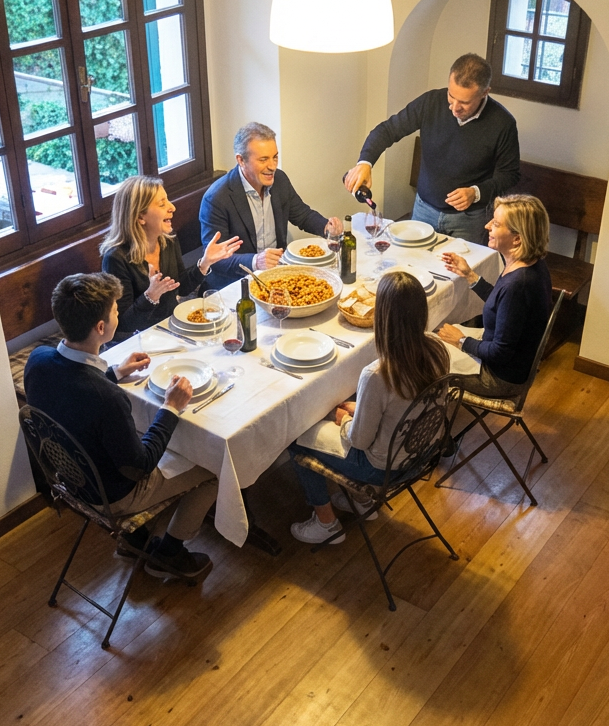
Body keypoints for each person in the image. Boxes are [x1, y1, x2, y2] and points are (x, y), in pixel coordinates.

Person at [24, 272, 219, 579]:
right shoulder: (107, 397)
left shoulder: (38, 360)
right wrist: (171, 407)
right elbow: (139, 467)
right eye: (116, 311)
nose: (118, 314)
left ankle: (135, 541)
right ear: (102, 328)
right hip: (111, 496)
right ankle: (168, 554)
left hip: (72, 479)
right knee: (213, 465)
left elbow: (73, 393)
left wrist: (114, 372)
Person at [288, 272, 450, 545]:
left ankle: (326, 523)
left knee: (296, 436)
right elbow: (401, 407)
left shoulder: (377, 374)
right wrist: (359, 408)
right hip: (420, 452)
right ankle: (361, 500)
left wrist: (342, 418)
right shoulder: (437, 348)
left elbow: (359, 441)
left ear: (382, 318)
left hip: (382, 468)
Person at [343, 53, 521, 245]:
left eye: (465, 103)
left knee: (464, 272)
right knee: (413, 266)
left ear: (485, 92)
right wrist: (365, 162)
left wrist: (476, 192)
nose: (454, 108)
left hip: (469, 219)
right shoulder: (431, 102)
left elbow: (509, 174)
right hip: (423, 209)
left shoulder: (503, 123)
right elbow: (387, 130)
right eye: (451, 97)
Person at [199, 122, 342, 289]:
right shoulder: (216, 198)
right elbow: (214, 259)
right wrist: (255, 261)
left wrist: (326, 227)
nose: (272, 166)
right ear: (241, 160)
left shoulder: (279, 180)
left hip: (277, 277)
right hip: (236, 284)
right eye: (263, 159)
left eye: (275, 157)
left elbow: (302, 215)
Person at [436, 194, 552, 398]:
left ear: (517, 238)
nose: (487, 226)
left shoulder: (519, 284)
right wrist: (469, 275)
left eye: (496, 224)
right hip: (505, 362)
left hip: (499, 378)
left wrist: (461, 341)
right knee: (433, 334)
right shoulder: (530, 265)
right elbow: (504, 306)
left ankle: (425, 425)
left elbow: (500, 352)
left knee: (420, 358)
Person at [101, 175, 241, 340]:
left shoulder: (168, 239)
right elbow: (122, 325)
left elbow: (181, 287)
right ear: (140, 217)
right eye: (162, 204)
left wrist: (204, 263)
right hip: (141, 341)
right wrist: (150, 296)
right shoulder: (115, 258)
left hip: (172, 329)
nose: (172, 207)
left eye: (167, 201)